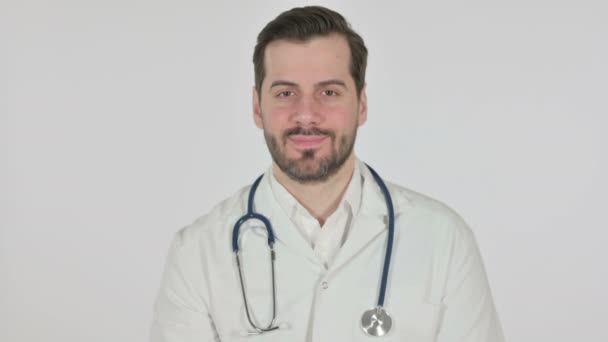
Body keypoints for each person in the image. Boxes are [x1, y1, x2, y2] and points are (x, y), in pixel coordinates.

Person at [150, 6, 505, 342]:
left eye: (329, 92)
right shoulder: (197, 253)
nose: (306, 114)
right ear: (257, 107)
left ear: (361, 105)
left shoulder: (444, 241)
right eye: (286, 92)